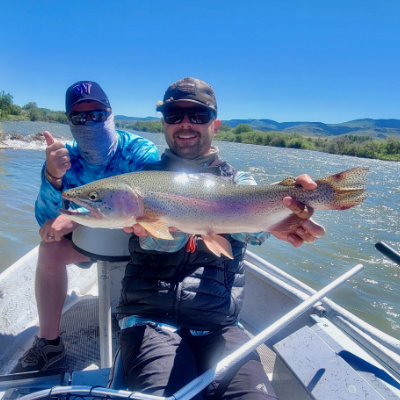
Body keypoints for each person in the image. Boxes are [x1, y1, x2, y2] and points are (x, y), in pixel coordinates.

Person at [116, 77, 326, 399]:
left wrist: (286, 218)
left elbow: (255, 235)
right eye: (175, 115)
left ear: (215, 124)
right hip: (150, 319)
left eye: (198, 116)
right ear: (164, 123)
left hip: (220, 326)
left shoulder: (240, 182)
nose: (186, 124)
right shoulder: (145, 179)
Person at [13, 81, 159, 372]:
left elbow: (155, 211)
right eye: (79, 117)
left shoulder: (141, 152)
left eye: (97, 114)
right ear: (70, 121)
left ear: (110, 114)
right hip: (84, 246)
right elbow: (46, 224)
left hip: (139, 247)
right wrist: (54, 178)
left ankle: (149, 328)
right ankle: (49, 343)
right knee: (49, 249)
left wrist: (76, 216)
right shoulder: (61, 157)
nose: (89, 122)